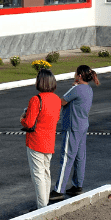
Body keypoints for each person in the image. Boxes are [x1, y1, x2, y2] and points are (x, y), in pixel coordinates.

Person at [52, 65, 98, 201]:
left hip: (72, 126)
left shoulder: (76, 89)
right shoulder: (88, 89)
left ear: (79, 76)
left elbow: (61, 101)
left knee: (67, 157)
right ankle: (78, 185)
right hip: (82, 125)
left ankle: (58, 190)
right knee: (80, 156)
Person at [21, 69, 62, 209]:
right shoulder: (57, 99)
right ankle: (45, 205)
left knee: (38, 175)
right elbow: (56, 118)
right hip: (49, 141)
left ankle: (42, 207)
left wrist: (22, 119)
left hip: (35, 141)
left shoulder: (36, 99)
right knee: (46, 173)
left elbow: (29, 123)